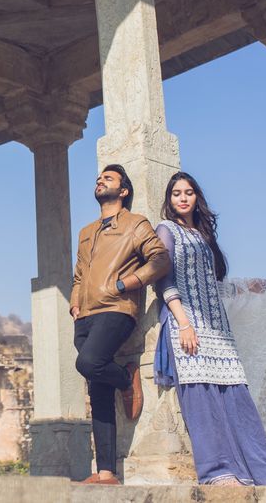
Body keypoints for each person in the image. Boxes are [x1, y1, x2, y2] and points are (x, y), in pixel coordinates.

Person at [153, 171, 266, 486]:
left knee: (236, 397)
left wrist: (249, 288)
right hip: (184, 322)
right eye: (177, 193)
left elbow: (215, 284)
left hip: (217, 326)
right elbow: (163, 279)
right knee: (200, 398)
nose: (183, 198)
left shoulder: (204, 236)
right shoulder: (166, 229)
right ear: (169, 199)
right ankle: (217, 471)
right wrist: (184, 324)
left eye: (189, 192)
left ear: (196, 197)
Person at [70, 164, 171, 485]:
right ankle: (106, 473)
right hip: (84, 314)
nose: (100, 180)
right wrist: (74, 301)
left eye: (108, 178)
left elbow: (160, 258)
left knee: (88, 362)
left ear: (123, 191)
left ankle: (127, 380)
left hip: (116, 309)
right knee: (97, 390)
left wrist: (127, 284)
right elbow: (79, 274)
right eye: (98, 178)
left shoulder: (134, 223)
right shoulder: (86, 232)